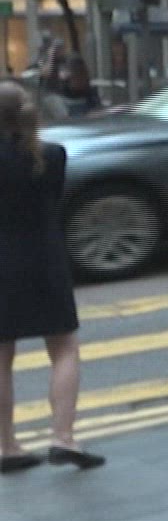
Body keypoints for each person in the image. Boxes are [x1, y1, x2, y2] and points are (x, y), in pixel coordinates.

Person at [0, 81, 105, 473]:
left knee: (1, 356)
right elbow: (53, 199)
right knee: (63, 347)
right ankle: (63, 437)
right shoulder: (52, 155)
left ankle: (7, 445)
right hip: (43, 259)